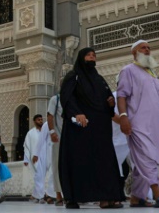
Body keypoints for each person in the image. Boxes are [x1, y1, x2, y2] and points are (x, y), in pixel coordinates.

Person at [59, 47, 124, 209]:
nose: (92, 57)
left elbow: (107, 100)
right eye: (88, 55)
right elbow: (66, 97)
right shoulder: (73, 77)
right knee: (80, 161)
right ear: (81, 58)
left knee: (104, 161)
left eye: (94, 55)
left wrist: (111, 104)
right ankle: (73, 197)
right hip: (81, 126)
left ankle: (107, 197)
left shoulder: (99, 79)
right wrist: (77, 113)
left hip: (100, 127)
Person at [116, 40, 159, 208]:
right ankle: (157, 193)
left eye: (149, 48)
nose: (147, 50)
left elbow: (156, 101)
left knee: (145, 159)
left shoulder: (152, 73)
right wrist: (124, 117)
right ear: (134, 52)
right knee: (147, 156)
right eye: (143, 47)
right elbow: (122, 96)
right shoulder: (128, 71)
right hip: (137, 122)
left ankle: (137, 197)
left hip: (155, 124)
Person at [46, 93, 64, 206]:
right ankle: (58, 195)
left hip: (72, 138)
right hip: (58, 136)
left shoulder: (75, 98)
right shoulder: (56, 99)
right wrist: (52, 132)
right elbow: (50, 115)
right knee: (57, 165)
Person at [23, 114, 46, 202]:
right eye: (38, 120)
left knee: (39, 177)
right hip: (35, 158)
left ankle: (36, 195)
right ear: (34, 121)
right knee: (39, 176)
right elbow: (27, 146)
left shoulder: (45, 132)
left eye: (41, 119)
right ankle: (41, 197)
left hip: (45, 157)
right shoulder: (30, 133)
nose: (40, 121)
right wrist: (26, 158)